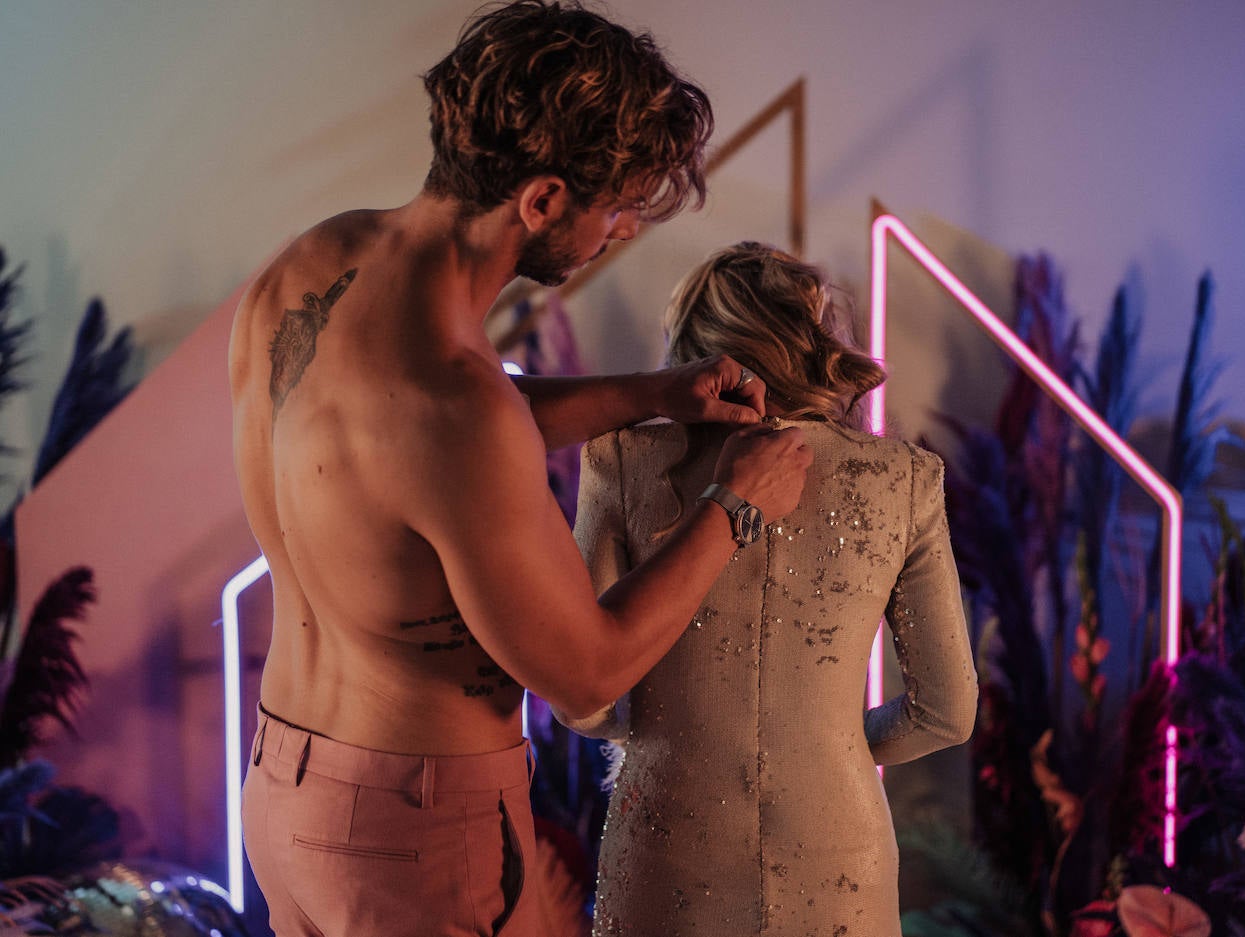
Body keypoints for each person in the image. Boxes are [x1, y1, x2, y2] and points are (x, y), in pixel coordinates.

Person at [228, 3, 813, 935]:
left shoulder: (311, 266)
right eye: (614, 207)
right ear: (541, 200)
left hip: (287, 794)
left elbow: (415, 450)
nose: (618, 232)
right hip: (417, 833)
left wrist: (655, 391)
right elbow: (586, 677)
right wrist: (735, 504)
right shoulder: (458, 405)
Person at [557, 242, 979, 936]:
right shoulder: (904, 478)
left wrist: (671, 727)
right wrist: (832, 739)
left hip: (666, 846)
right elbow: (947, 711)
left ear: (695, 348)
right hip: (840, 857)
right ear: (815, 341)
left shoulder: (623, 459)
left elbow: (585, 696)